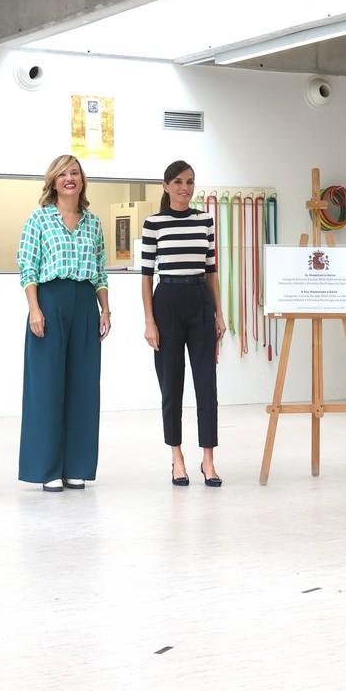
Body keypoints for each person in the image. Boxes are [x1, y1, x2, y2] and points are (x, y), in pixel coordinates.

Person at [17, 155, 112, 491]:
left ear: (82, 180)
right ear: (53, 182)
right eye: (62, 174)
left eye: (75, 173)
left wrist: (105, 309)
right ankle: (47, 468)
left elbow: (100, 270)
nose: (69, 178)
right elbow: (27, 268)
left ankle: (77, 466)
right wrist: (35, 309)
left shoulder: (94, 223)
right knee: (46, 387)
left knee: (84, 387)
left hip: (85, 304)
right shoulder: (39, 220)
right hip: (50, 302)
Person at [140, 160, 227, 487]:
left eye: (189, 182)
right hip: (168, 304)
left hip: (200, 301)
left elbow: (211, 271)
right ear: (166, 186)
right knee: (171, 385)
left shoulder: (205, 220)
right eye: (177, 182)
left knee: (207, 385)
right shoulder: (153, 223)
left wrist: (219, 313)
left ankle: (208, 459)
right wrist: (150, 321)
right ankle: (176, 457)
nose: (184, 188)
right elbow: (147, 277)